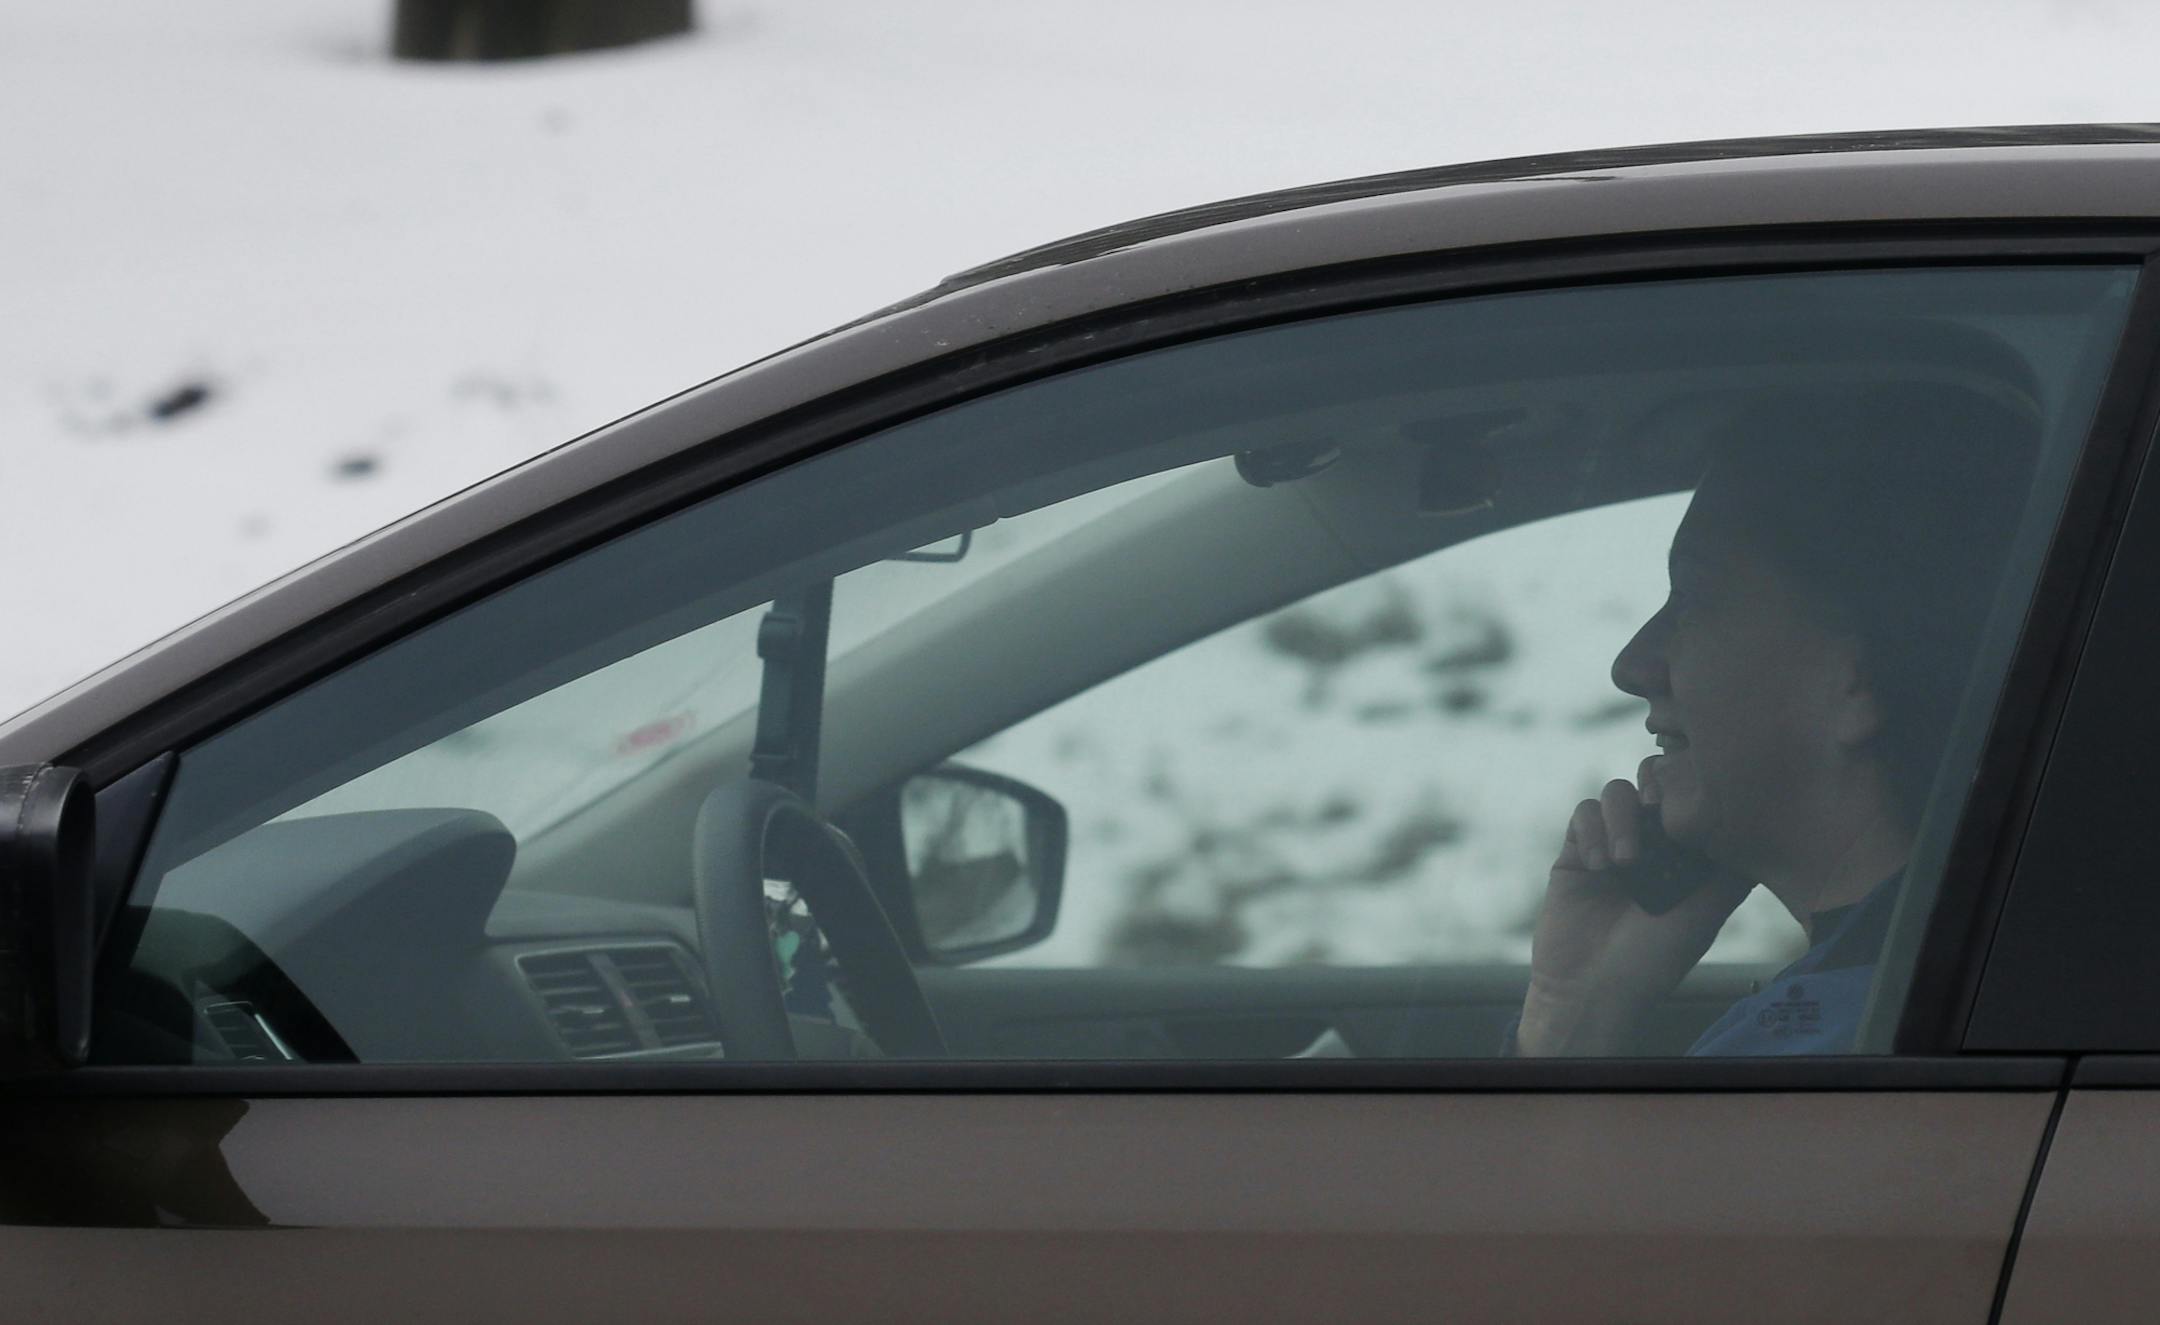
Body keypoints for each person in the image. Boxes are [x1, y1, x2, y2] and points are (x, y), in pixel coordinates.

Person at [1513, 381, 2040, 1057]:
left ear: (1858, 679)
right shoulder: (1940, 986)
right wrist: (1575, 1008)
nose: (1632, 664)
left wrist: (1560, 1033)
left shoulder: (1831, 1048)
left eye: (1694, 597)